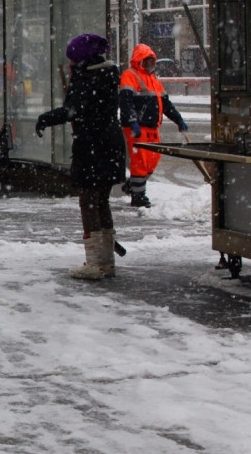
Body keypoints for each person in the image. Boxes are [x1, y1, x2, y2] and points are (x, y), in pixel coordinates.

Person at [35, 33, 126, 280]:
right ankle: (106, 261)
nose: (70, 64)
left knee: (88, 201)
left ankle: (95, 262)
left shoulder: (87, 78)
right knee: (102, 200)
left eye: (72, 59)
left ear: (82, 59)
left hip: (93, 145)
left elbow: (73, 110)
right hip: (111, 144)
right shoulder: (107, 74)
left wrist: (46, 118)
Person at [119, 43, 188, 207]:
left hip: (152, 127)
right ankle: (138, 196)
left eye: (152, 61)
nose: (151, 64)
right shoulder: (130, 75)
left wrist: (178, 119)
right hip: (137, 127)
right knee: (140, 161)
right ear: (139, 61)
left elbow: (166, 104)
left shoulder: (153, 79)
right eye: (147, 61)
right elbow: (125, 102)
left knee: (152, 160)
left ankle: (132, 186)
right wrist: (132, 121)